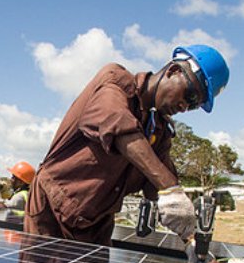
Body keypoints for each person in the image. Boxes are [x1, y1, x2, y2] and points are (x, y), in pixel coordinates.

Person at [24, 45, 229, 246]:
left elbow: (160, 182)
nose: (185, 107)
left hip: (97, 224)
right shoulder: (115, 82)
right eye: (191, 95)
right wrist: (169, 188)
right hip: (53, 211)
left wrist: (189, 238)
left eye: (194, 106)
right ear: (173, 71)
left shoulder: (159, 128)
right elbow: (117, 125)